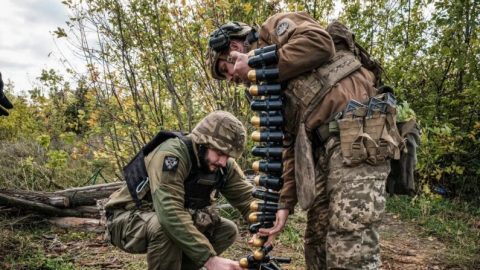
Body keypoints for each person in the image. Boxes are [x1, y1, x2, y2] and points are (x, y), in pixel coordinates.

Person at [207, 11, 402, 269]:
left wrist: (253, 61)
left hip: (358, 133)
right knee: (317, 244)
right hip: (320, 152)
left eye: (225, 68)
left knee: (351, 243)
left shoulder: (273, 29)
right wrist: (284, 204)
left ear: (234, 48)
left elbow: (320, 44)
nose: (231, 78)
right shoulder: (264, 87)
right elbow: (286, 144)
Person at [104, 111, 255, 270]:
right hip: (125, 218)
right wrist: (210, 260)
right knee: (165, 228)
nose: (223, 162)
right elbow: (170, 212)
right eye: (220, 153)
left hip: (161, 218)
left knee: (226, 230)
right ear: (202, 142)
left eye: (228, 156)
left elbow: (248, 199)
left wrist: (265, 225)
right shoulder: (172, 154)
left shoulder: (223, 166)